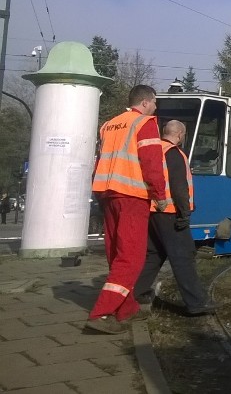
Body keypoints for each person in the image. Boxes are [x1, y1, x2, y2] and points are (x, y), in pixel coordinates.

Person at [86, 85, 168, 335]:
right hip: (132, 195)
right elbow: (151, 161)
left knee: (116, 252)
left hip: (106, 192)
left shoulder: (109, 124)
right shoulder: (145, 123)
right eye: (154, 103)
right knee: (131, 257)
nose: (155, 108)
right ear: (145, 103)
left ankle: (126, 308)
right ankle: (101, 313)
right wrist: (159, 195)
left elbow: (101, 159)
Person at [135, 120, 216, 316]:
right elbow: (179, 187)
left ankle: (135, 293)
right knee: (184, 257)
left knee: (154, 254)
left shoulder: (154, 150)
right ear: (180, 135)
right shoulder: (174, 154)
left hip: (152, 212)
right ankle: (197, 302)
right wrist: (184, 214)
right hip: (171, 213)